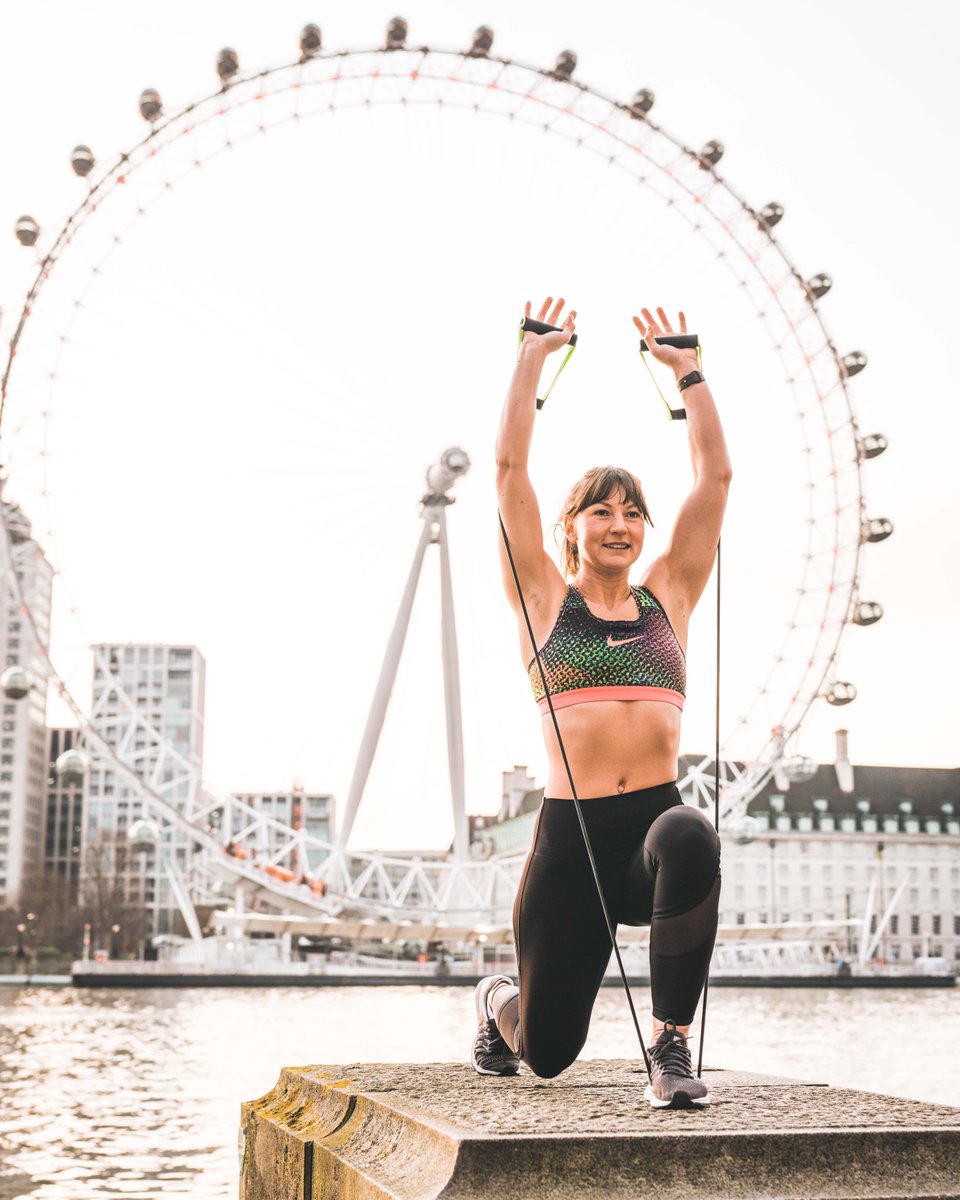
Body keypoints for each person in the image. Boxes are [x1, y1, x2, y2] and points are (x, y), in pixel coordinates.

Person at [471, 297, 731, 1109]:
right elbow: (509, 473)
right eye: (600, 511)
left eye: (632, 513)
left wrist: (686, 371)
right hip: (569, 839)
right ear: (571, 529)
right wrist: (532, 361)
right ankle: (493, 1000)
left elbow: (715, 477)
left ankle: (672, 1049)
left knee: (691, 831)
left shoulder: (671, 599)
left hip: (649, 832)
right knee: (548, 1055)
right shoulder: (545, 602)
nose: (619, 524)